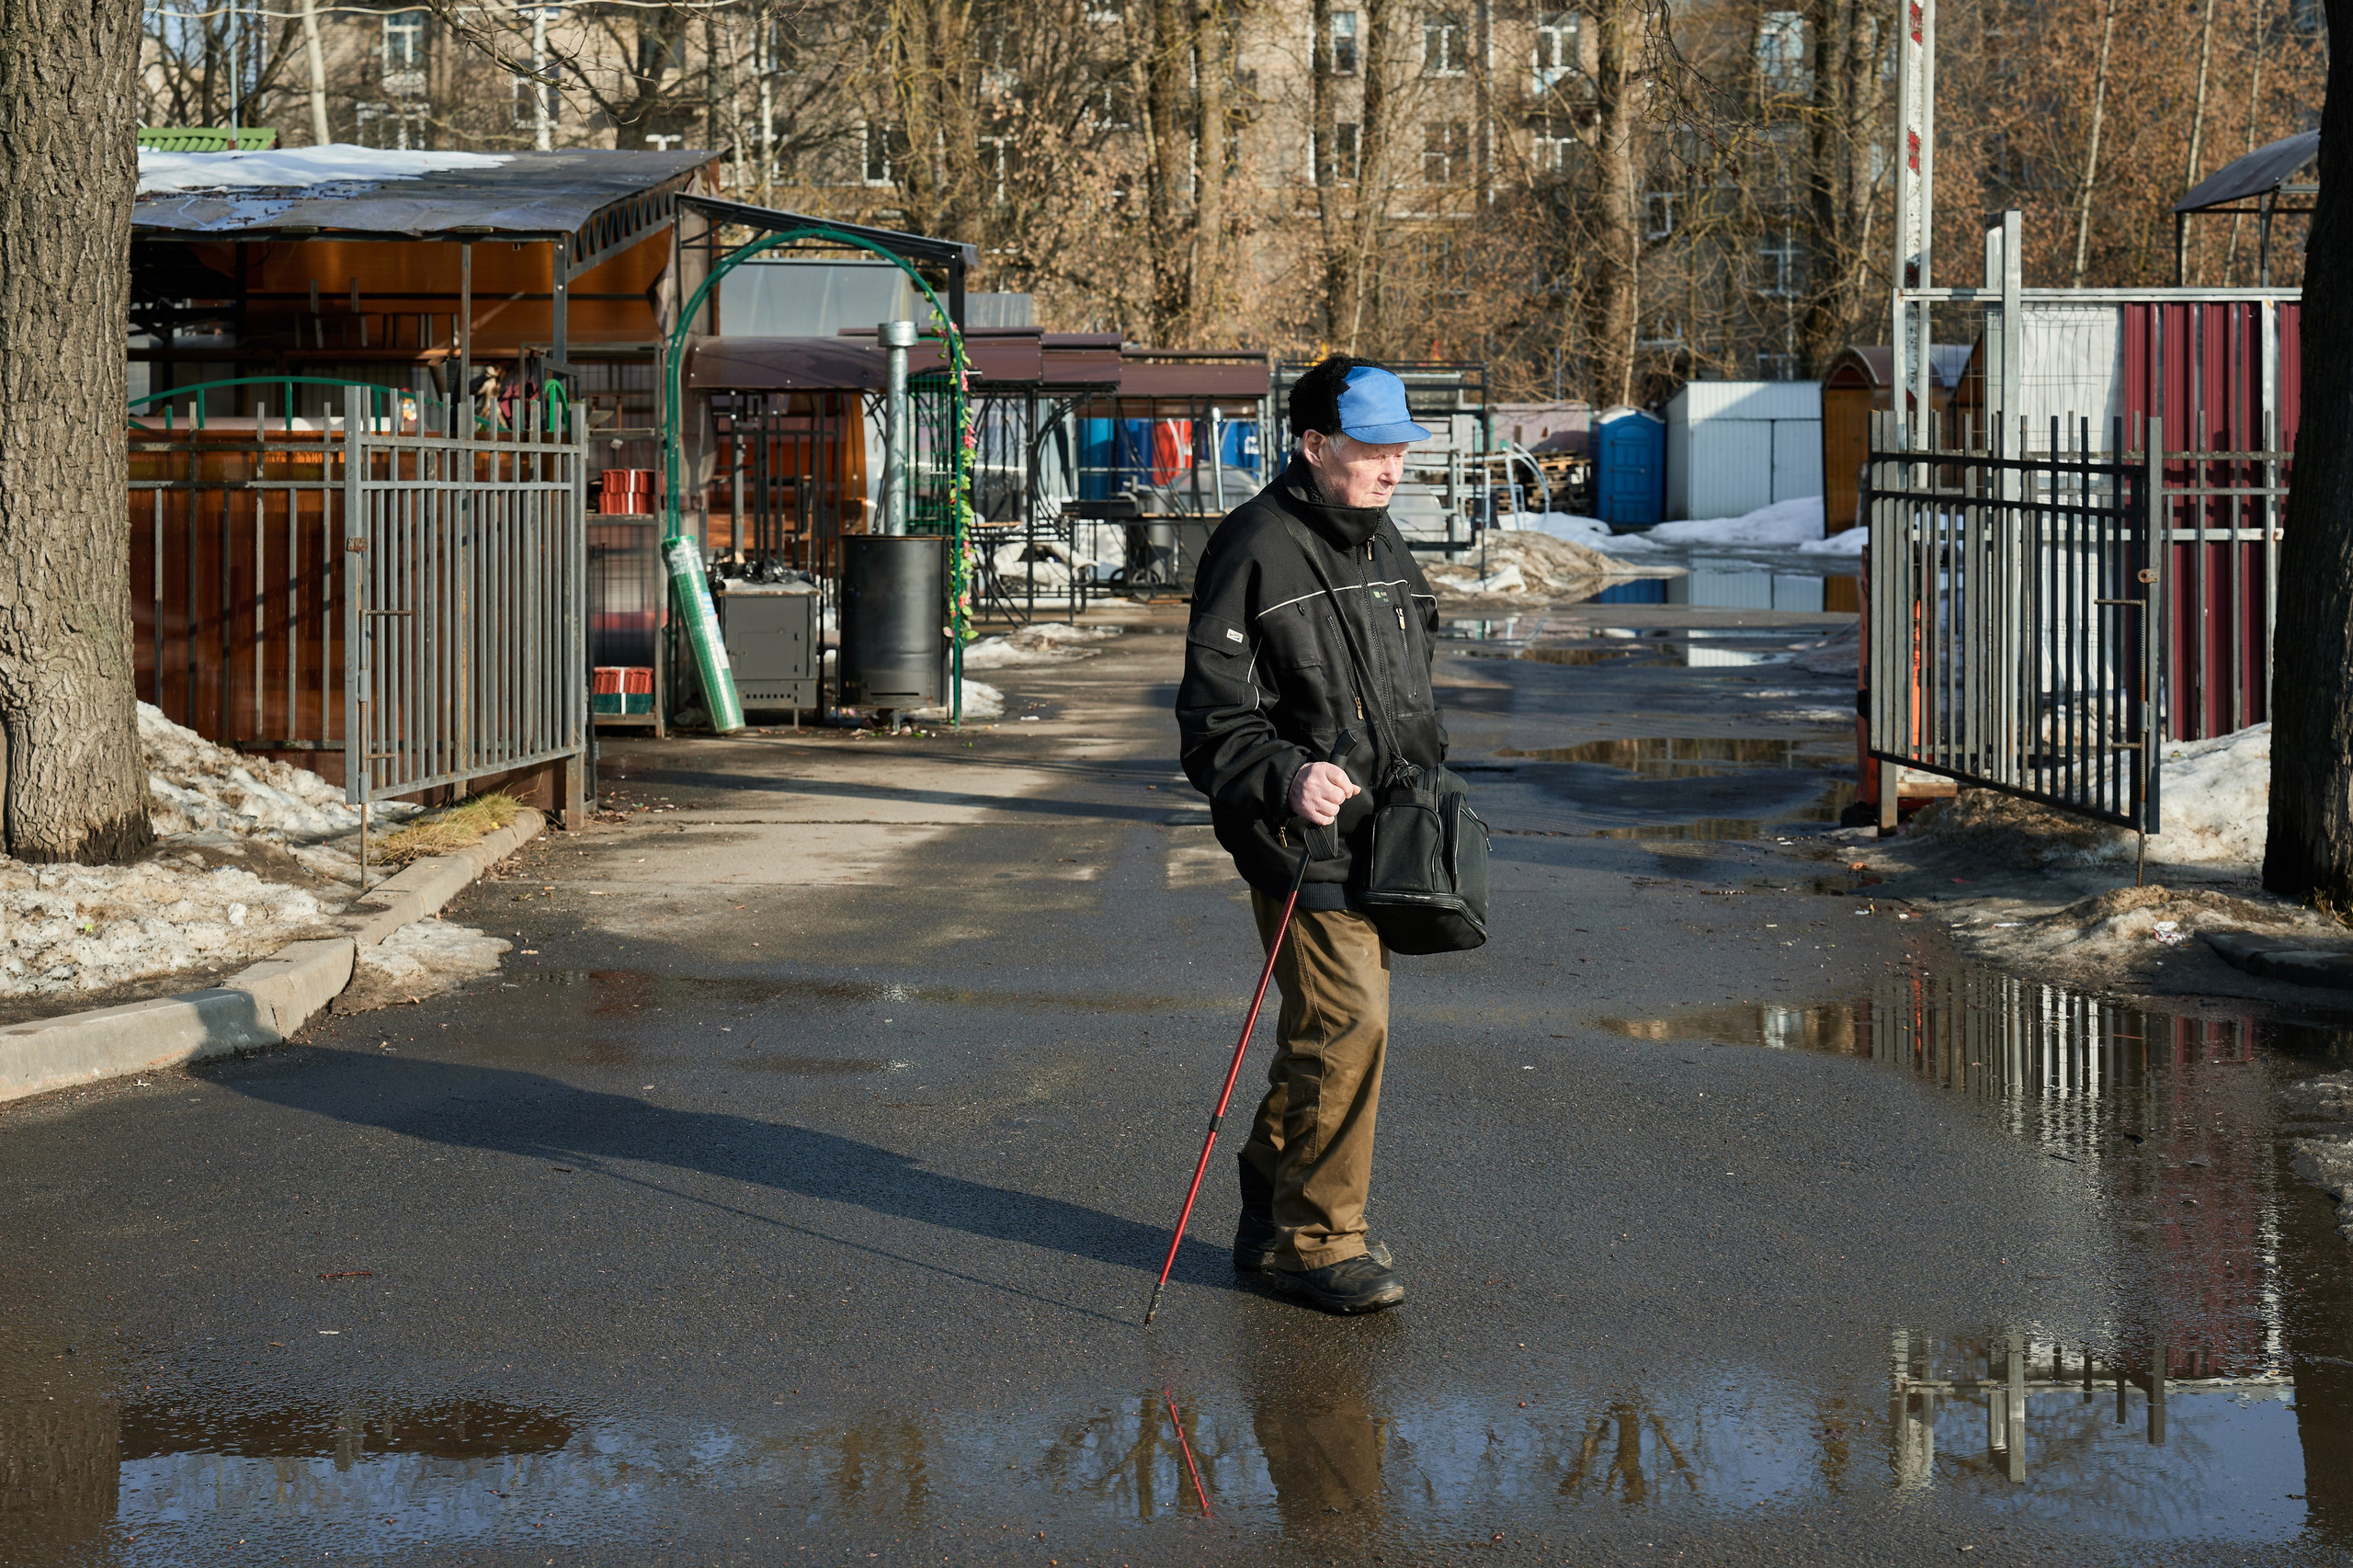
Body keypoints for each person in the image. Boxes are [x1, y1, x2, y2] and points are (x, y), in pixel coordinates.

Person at [1174, 356, 1447, 1315]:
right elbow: (1212, 722)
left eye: (1399, 447)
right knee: (1347, 1023)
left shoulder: (1382, 537)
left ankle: (1271, 1186)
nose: (1391, 466)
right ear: (1314, 444)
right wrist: (1287, 775)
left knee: (1323, 1032)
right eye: (1371, 449)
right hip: (1299, 838)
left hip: (1392, 827)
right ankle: (1316, 1241)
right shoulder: (1253, 545)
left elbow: (1410, 666)